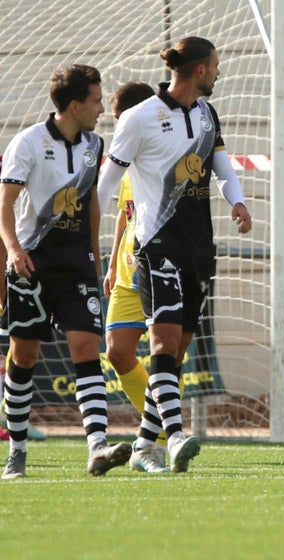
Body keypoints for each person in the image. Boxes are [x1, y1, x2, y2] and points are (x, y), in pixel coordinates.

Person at [97, 37, 252, 474]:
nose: (220, 73)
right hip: (156, 245)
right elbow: (107, 184)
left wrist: (236, 202)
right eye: (216, 66)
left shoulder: (206, 115)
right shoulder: (139, 118)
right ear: (200, 70)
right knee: (162, 342)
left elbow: (221, 169)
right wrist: (91, 244)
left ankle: (145, 445)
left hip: (200, 248)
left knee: (178, 351)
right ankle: (176, 433)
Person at [1, 64, 131, 479]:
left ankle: (96, 447)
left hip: (76, 266)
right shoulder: (29, 143)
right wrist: (15, 250)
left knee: (86, 349)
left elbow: (91, 201)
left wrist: (96, 256)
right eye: (96, 101)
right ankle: (16, 452)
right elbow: (4, 204)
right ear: (75, 105)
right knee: (24, 356)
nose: (101, 108)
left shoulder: (95, 143)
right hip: (32, 266)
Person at [100, 81, 169, 470]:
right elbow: (125, 218)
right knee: (117, 351)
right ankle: (158, 427)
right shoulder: (125, 162)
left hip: (160, 269)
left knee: (164, 356)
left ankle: (158, 433)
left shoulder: (163, 157)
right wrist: (111, 263)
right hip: (127, 272)